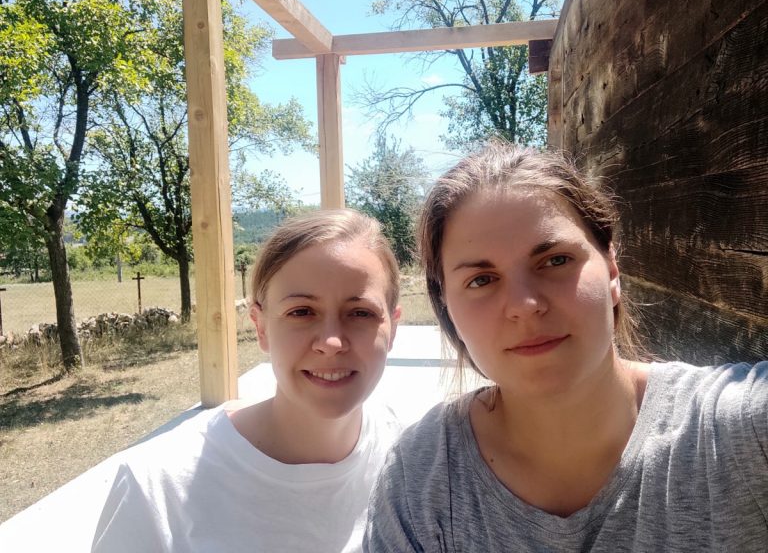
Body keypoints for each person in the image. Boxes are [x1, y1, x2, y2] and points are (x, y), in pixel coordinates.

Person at [364, 142, 768, 552]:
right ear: (448, 309)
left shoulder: (738, 431)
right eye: (481, 280)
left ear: (612, 269)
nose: (524, 305)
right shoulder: (419, 476)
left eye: (555, 260)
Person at [93, 209, 402, 553]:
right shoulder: (157, 487)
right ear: (261, 327)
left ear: (393, 328)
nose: (331, 343)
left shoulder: (410, 458)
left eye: (361, 313)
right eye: (301, 312)